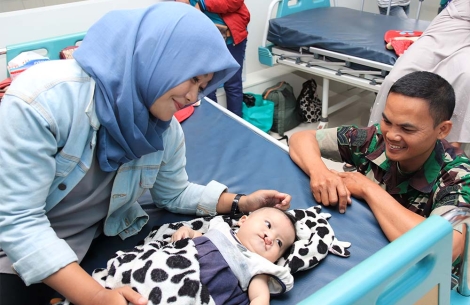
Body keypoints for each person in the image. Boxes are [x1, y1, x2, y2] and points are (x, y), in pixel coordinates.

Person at [0, 3, 292, 305]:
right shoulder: (41, 102)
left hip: (84, 242)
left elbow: (173, 194)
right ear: (160, 57)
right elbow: (19, 222)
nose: (193, 97)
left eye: (203, 86)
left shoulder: (163, 131)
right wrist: (96, 296)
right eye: (193, 79)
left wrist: (242, 203)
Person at [289, 71, 470, 265]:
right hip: (364, 247)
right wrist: (320, 173)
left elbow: (446, 247)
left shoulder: (457, 176)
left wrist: (368, 189)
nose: (391, 135)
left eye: (407, 129)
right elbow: (301, 139)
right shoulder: (374, 139)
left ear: (442, 130)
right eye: (387, 121)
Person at [369, 0, 470, 149]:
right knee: (397, 77)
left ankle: (448, 154)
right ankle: (375, 144)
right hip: (456, 17)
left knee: (465, 77)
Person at [171, 207, 296, 305]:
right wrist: (188, 231)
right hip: (175, 268)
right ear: (243, 220)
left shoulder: (258, 266)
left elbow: (260, 296)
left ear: (275, 259)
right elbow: (201, 239)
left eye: (279, 242)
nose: (271, 237)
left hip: (202, 295)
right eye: (268, 225)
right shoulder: (221, 228)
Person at [175, 0, 250, 117]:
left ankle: (237, 126)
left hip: (231, 37)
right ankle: (213, 124)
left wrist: (203, 4)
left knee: (233, 84)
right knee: (206, 86)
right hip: (203, 38)